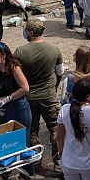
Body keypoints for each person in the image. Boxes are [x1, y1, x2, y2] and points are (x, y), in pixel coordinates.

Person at [16, 20, 64, 166]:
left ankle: (35, 160)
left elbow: (14, 75)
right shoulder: (54, 49)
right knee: (55, 128)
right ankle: (58, 163)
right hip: (49, 96)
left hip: (28, 98)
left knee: (32, 130)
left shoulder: (20, 52)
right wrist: (54, 86)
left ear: (30, 32)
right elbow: (60, 72)